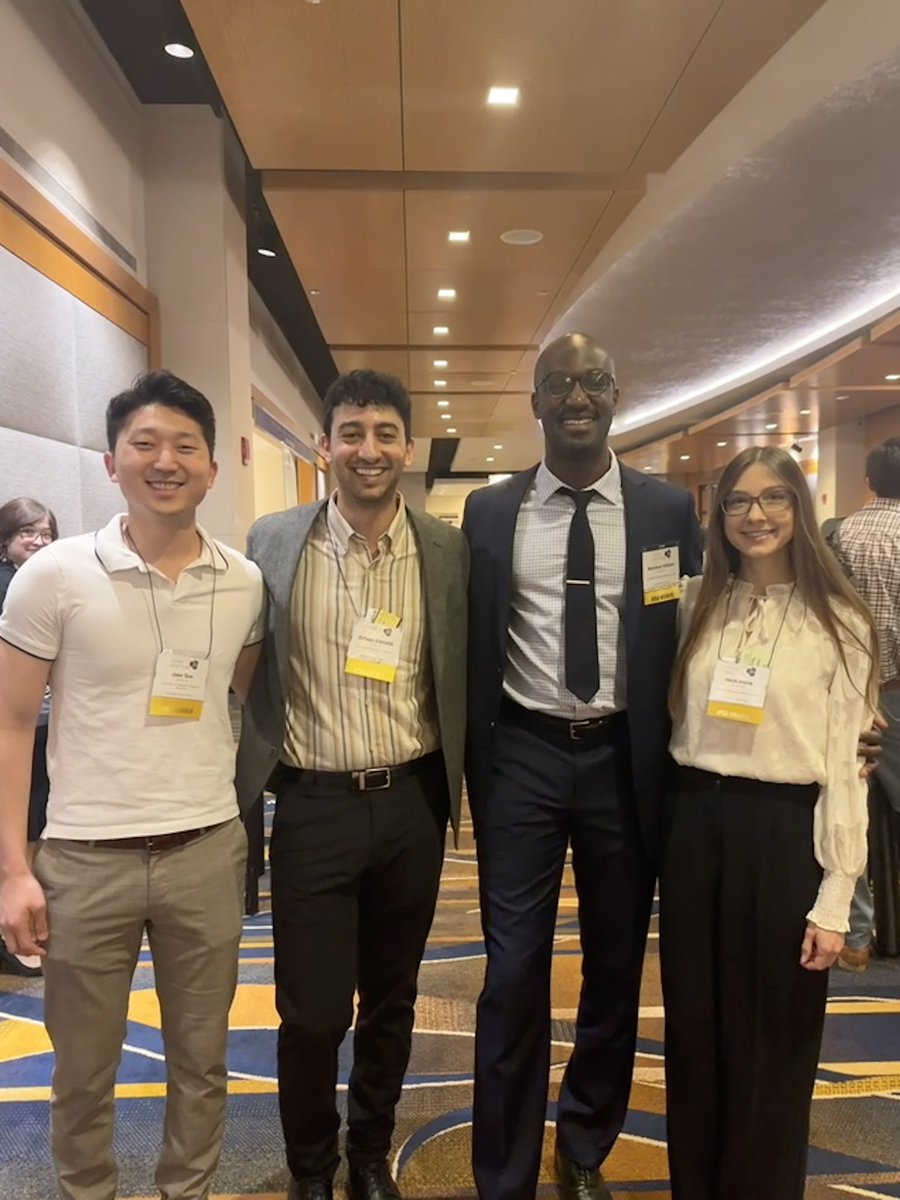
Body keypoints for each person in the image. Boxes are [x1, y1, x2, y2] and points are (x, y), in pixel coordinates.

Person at [0, 370, 266, 1200]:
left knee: (203, 1062)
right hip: (85, 860)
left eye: (185, 446)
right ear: (112, 463)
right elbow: (10, 722)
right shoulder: (54, 574)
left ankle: (187, 1191)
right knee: (82, 1070)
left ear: (212, 469)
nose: (165, 461)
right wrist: (13, 870)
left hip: (206, 851)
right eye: (144, 444)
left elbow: (251, 703)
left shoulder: (244, 581)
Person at [463, 333, 703, 1200]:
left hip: (624, 758)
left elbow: (707, 629)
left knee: (615, 964)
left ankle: (586, 1141)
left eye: (593, 381)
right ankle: (504, 1171)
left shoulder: (667, 510)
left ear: (615, 397)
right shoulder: (490, 512)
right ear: (534, 402)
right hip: (521, 755)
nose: (577, 396)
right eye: (559, 384)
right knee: (512, 970)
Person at [236, 368, 468, 1200]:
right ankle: (312, 1169)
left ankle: (370, 1153)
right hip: (313, 805)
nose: (369, 450)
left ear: (408, 446)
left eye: (385, 434)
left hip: (412, 802)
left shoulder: (445, 549)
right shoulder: (273, 541)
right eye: (352, 434)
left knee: (393, 999)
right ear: (324, 445)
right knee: (311, 1013)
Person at [662, 445, 878, 1200]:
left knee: (773, 1038)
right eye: (738, 502)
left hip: (785, 833)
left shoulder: (840, 622)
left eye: (774, 498)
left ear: (800, 508)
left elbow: (847, 766)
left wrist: (837, 895)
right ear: (718, 515)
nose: (756, 516)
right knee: (694, 1033)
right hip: (694, 826)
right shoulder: (696, 603)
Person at [834, 436, 900, 969]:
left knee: (848, 810)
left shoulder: (840, 535)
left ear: (869, 481)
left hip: (849, 691)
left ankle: (855, 936)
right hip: (899, 693)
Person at [0, 497, 58, 976]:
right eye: (27, 533)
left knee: (33, 821)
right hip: (11, 725)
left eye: (46, 534)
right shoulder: (7, 587)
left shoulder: (49, 583)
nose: (38, 542)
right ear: (6, 541)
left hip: (41, 727)